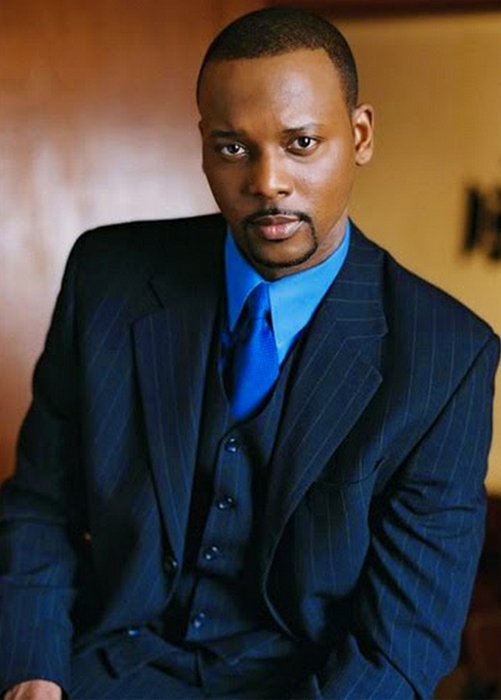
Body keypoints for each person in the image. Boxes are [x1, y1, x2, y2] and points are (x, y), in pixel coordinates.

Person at [0, 7, 499, 700]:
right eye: (234, 147)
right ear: (204, 146)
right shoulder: (107, 276)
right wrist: (33, 672)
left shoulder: (447, 355)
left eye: (301, 143)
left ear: (359, 136)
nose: (267, 182)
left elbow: (403, 642)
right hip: (100, 668)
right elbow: (41, 506)